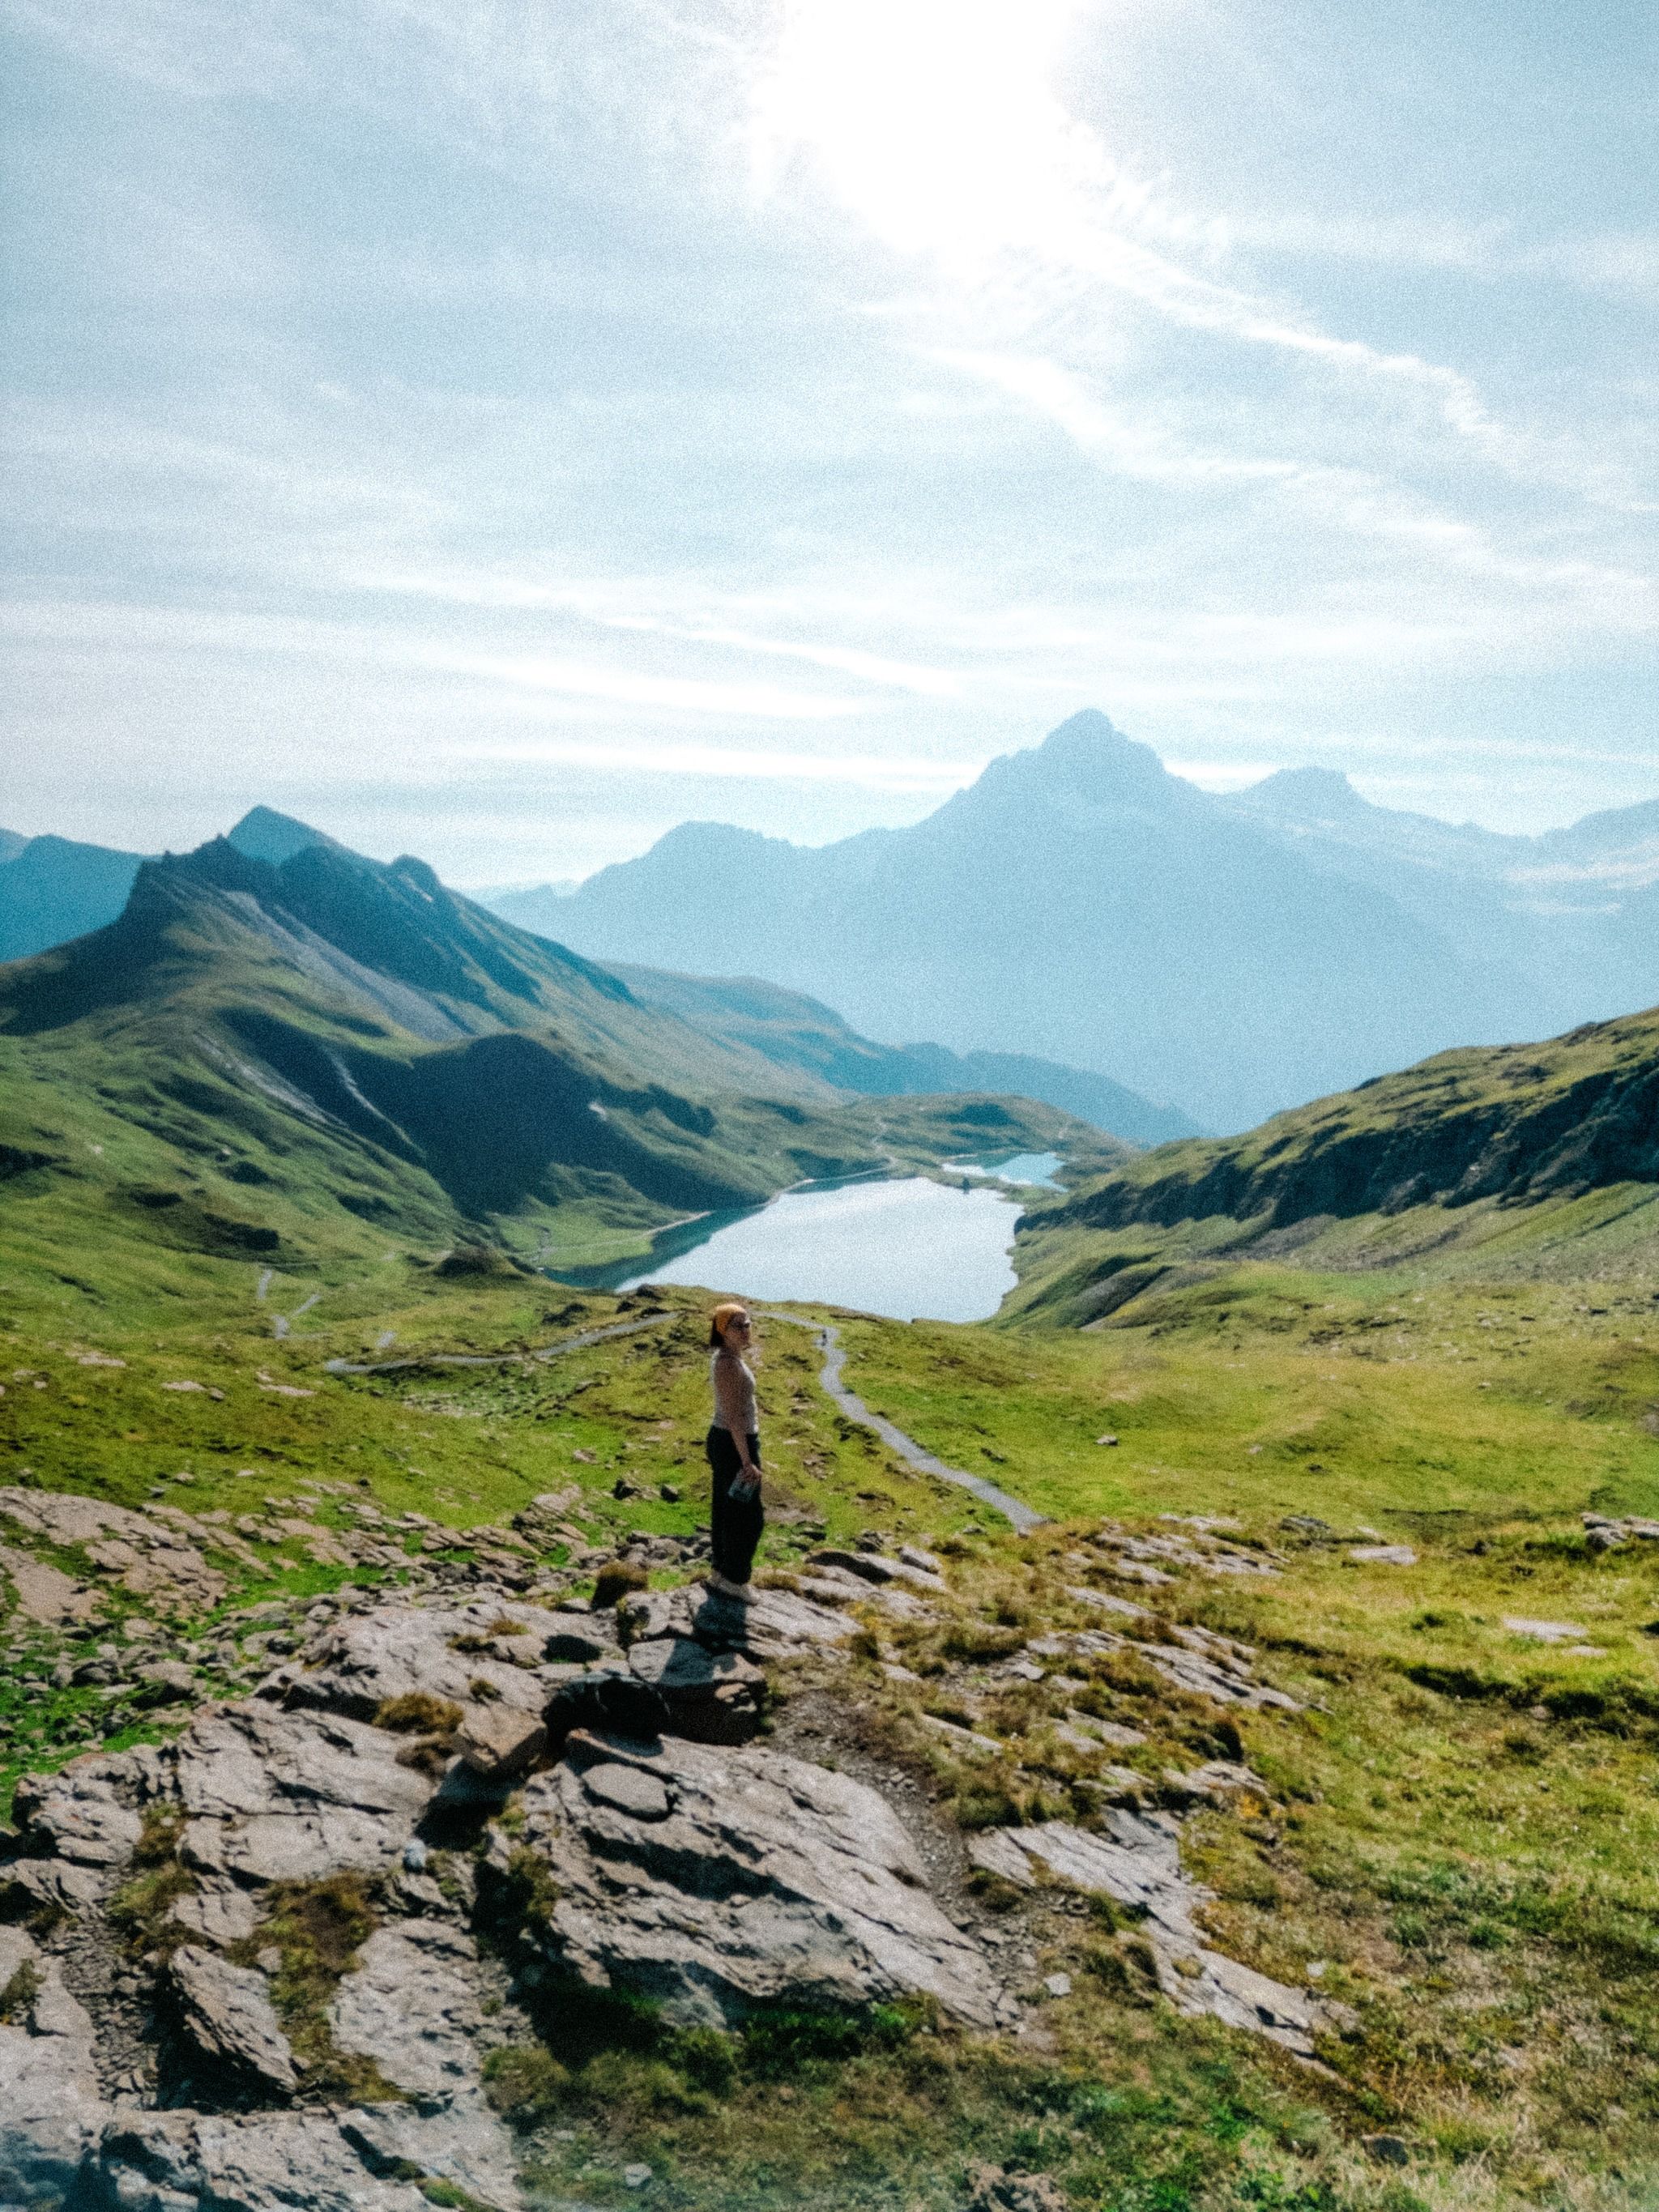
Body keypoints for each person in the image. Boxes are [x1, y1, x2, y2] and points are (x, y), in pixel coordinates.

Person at [706, 1300, 763, 1599]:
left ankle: (721, 1572)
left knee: (727, 1510)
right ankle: (735, 1579)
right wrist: (747, 1461)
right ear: (722, 1330)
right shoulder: (727, 1363)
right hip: (733, 1442)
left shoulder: (730, 1358)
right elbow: (733, 1415)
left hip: (728, 1440)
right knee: (748, 1517)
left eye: (747, 1324)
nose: (745, 1331)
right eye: (737, 1326)